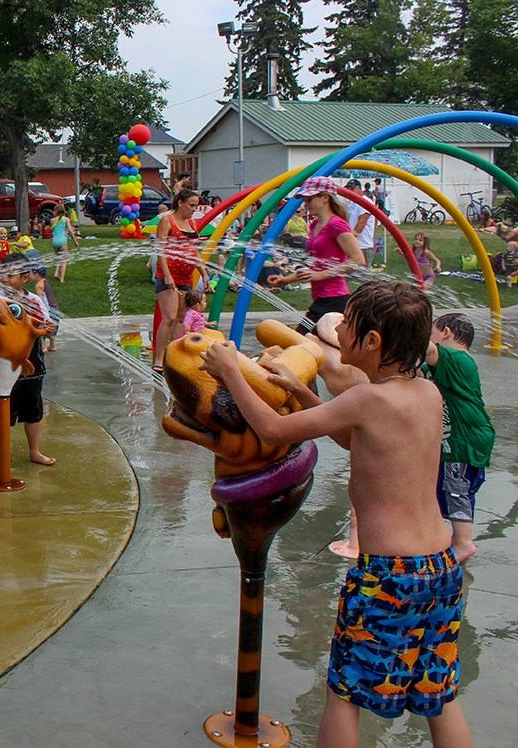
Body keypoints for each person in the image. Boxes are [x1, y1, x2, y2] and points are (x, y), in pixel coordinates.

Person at [200, 281, 470, 747]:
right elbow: (355, 440)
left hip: (388, 575)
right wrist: (301, 393)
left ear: (372, 343)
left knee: (345, 696)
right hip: (438, 567)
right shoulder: (425, 393)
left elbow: (271, 428)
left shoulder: (368, 399)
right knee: (437, 692)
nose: (337, 328)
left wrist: (231, 372)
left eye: (346, 322)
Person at [425, 313, 494, 563]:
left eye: (432, 332)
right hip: (461, 437)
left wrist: (404, 323)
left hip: (464, 438)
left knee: (456, 488)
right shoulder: (445, 363)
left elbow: (427, 351)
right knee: (454, 487)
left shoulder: (457, 359)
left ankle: (463, 543)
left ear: (446, 333)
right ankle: (455, 541)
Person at [0, 254, 56, 468]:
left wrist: (47, 329)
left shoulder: (34, 301)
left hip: (32, 362)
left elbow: (45, 324)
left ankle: (35, 451)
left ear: (24, 278)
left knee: (33, 410)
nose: (3, 278)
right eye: (1, 274)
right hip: (5, 363)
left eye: (9, 275)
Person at [268, 177, 366, 332]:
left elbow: (358, 260)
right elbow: (315, 266)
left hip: (334, 299)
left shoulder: (336, 225)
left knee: (301, 343)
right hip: (321, 298)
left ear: (325, 198)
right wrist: (286, 279)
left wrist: (321, 275)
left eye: (309, 199)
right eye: (305, 200)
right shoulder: (314, 225)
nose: (305, 204)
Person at [152, 189, 209, 373]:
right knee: (168, 317)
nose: (194, 209)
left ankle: (175, 356)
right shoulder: (166, 221)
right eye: (192, 205)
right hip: (167, 277)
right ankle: (159, 359)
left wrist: (203, 272)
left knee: (180, 318)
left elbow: (194, 251)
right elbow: (160, 250)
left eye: (196, 205)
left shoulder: (191, 223)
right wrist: (167, 275)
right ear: (180, 203)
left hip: (185, 277)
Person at [345, 180, 380, 268]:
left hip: (363, 246)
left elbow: (362, 222)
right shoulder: (352, 203)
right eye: (347, 188)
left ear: (359, 188)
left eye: (351, 188)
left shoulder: (365, 201)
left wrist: (349, 239)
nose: (349, 190)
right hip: (355, 245)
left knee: (362, 278)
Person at [49, 203, 75, 283]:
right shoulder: (66, 219)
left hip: (55, 241)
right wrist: (75, 241)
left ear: (56, 211)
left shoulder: (52, 220)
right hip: (62, 241)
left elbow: (53, 231)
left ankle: (56, 273)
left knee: (59, 258)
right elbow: (70, 231)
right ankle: (62, 279)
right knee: (63, 261)